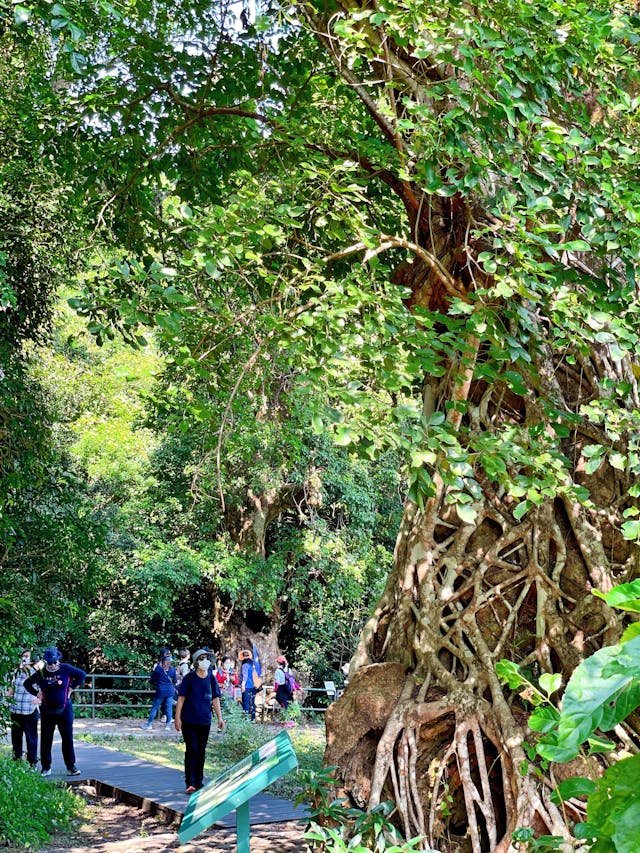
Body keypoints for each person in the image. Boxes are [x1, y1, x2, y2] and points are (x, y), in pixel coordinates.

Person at [24, 646, 86, 777]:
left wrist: (71, 688)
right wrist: (37, 693)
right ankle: (46, 767)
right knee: (46, 740)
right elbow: (27, 684)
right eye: (51, 663)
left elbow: (82, 675)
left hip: (65, 710)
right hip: (47, 711)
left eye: (56, 662)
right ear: (46, 662)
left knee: (67, 738)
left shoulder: (66, 668)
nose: (54, 665)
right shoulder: (41, 673)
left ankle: (71, 767)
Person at [174, 648, 225, 794]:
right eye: (201, 658)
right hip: (189, 720)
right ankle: (189, 782)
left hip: (205, 721)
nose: (205, 661)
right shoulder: (189, 678)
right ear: (196, 662)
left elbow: (215, 699)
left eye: (207, 658)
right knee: (192, 750)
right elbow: (181, 698)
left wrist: (220, 718)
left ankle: (198, 781)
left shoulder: (211, 678)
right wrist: (177, 718)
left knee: (201, 751)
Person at [7, 649, 40, 768]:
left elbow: (45, 688)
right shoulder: (16, 672)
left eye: (27, 657)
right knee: (16, 738)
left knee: (31, 738)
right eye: (23, 656)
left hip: (29, 710)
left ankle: (32, 763)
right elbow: (11, 689)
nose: (24, 658)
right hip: (16, 710)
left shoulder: (36, 673)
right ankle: (17, 761)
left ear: (32, 660)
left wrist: (40, 699)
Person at [141, 650, 177, 730]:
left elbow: (153, 678)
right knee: (169, 708)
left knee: (155, 707)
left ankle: (149, 724)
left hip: (160, 690)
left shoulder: (158, 669)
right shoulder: (173, 670)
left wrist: (158, 684)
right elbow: (175, 681)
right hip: (170, 691)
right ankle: (168, 726)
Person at [238, 648, 260, 721]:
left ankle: (246, 719)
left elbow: (245, 675)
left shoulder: (245, 665)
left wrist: (243, 685)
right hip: (254, 686)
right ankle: (253, 718)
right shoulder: (253, 665)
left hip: (247, 686)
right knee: (252, 702)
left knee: (246, 702)